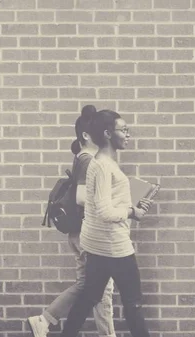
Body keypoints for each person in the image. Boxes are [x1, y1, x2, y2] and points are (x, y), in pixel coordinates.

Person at [60, 109, 153, 337]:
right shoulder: (102, 165)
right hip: (114, 247)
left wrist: (129, 200)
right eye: (124, 130)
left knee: (87, 300)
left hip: (98, 246)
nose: (128, 135)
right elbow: (104, 211)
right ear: (107, 133)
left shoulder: (102, 163)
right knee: (134, 305)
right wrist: (132, 211)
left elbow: (104, 203)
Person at [27, 106, 116, 337]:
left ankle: (44, 319)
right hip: (89, 234)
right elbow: (80, 197)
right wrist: (113, 204)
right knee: (103, 290)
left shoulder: (81, 158)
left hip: (79, 234)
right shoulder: (88, 160)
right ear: (86, 136)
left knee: (86, 285)